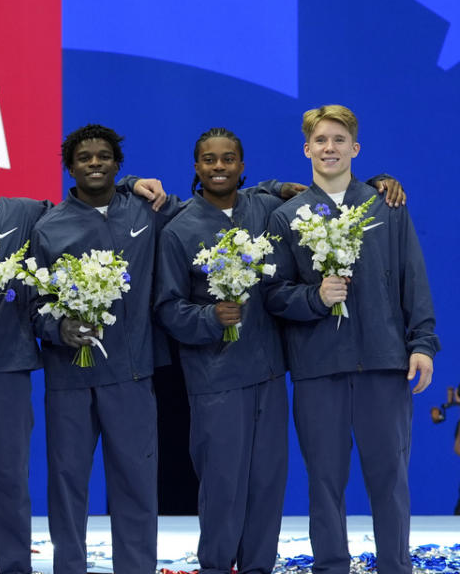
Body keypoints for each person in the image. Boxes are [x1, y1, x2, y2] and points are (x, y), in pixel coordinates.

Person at [0, 123, 164, 574]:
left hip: (9, 374)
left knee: (12, 489)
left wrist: (125, 183)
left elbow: (87, 198)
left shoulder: (26, 216)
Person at [263, 105, 438, 574]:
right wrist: (316, 297)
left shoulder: (386, 206)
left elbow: (411, 278)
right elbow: (274, 296)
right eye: (320, 140)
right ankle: (331, 566)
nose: (330, 148)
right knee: (324, 480)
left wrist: (422, 344)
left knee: (389, 478)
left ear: (355, 148)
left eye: (339, 140)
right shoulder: (288, 217)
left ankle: (395, 566)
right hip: (319, 367)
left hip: (384, 363)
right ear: (307, 149)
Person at [29, 124, 183, 574]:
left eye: (103, 156)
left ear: (118, 164)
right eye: (83, 158)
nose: (94, 163)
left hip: (132, 374)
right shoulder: (48, 227)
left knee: (135, 483)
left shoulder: (147, 209)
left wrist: (273, 188)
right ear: (69, 168)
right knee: (67, 482)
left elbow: (211, 208)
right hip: (69, 378)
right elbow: (34, 306)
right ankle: (70, 568)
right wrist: (60, 327)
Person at [154, 127, 289, 574]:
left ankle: (258, 568)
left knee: (268, 484)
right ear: (196, 167)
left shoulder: (265, 209)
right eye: (209, 160)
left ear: (242, 166)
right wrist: (210, 319)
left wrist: (383, 179)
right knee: (223, 484)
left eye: (227, 159)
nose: (218, 167)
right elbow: (168, 307)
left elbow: (312, 201)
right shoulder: (180, 230)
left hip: (268, 372)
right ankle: (215, 566)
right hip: (215, 378)